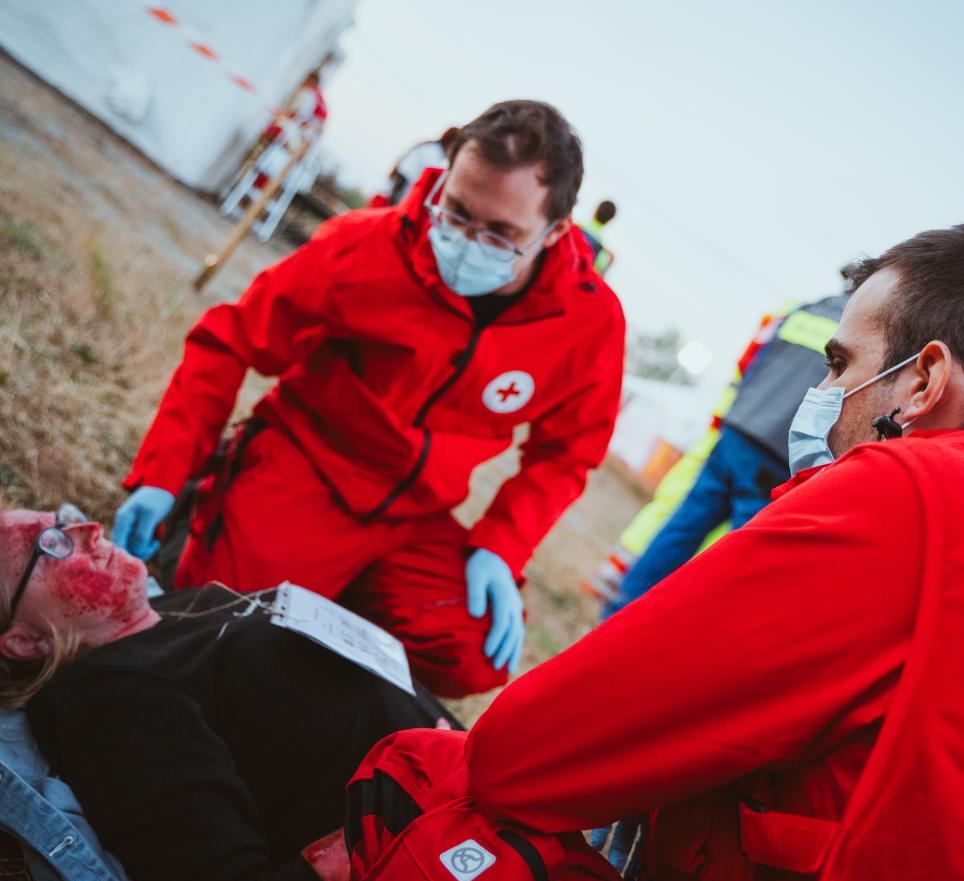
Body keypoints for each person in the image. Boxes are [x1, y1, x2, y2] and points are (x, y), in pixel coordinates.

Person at [460, 225, 964, 881]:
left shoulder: (906, 494)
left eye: (837, 365)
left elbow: (517, 757)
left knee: (422, 791)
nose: (819, 395)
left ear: (922, 383)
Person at [112, 100, 626, 699]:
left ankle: (323, 606)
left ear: (556, 232)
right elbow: (229, 341)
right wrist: (164, 470)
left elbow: (567, 454)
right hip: (306, 469)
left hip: (415, 519)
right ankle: (215, 501)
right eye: (456, 212)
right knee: (216, 618)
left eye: (501, 233)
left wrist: (499, 547)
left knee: (470, 656)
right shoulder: (365, 247)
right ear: (447, 173)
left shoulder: (590, 323)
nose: (465, 241)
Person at [0, 505, 457, 881]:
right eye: (51, 544)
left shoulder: (165, 618)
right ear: (25, 641)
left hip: (489, 806)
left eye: (62, 520)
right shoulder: (115, 702)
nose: (88, 529)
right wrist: (405, 812)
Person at [601, 292, 847, 618]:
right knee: (735, 560)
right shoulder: (861, 332)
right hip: (779, 455)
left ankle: (622, 607)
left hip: (737, 429)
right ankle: (676, 630)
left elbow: (750, 364)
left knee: (683, 526)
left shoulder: (805, 310)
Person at [371, 127, 459, 208]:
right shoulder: (433, 151)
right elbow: (435, 175)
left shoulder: (432, 149)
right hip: (403, 182)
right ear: (450, 142)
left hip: (402, 182)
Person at [578, 199, 616, 276]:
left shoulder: (573, 226)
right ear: (609, 220)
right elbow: (597, 276)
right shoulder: (604, 253)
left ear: (596, 210)